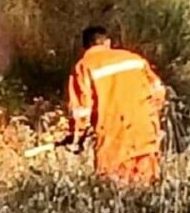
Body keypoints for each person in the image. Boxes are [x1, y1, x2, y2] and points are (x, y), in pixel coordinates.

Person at [61, 26, 167, 185]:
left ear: (84, 47)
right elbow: (158, 91)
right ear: (108, 42)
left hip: (113, 136)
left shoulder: (84, 66)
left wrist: (77, 139)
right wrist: (150, 116)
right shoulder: (135, 59)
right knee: (147, 188)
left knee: (114, 187)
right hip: (144, 130)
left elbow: (81, 111)